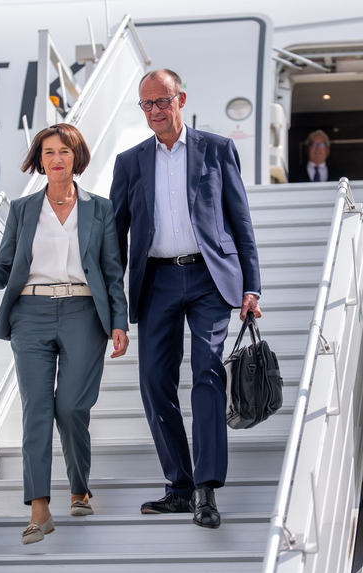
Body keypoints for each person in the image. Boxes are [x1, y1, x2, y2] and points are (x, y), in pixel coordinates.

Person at [0, 123, 129, 545]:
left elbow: (114, 272)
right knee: (37, 410)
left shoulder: (100, 209)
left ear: (76, 157)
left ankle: (79, 486)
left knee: (72, 408)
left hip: (84, 312)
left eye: (63, 151)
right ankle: (38, 509)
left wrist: (119, 321)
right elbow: (6, 268)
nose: (56, 158)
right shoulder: (24, 209)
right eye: (47, 152)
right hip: (31, 314)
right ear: (39, 160)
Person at [109, 69, 261, 530]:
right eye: (146, 104)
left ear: (181, 99)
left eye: (162, 101)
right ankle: (179, 485)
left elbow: (241, 222)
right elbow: (115, 240)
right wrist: (115, 306)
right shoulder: (129, 162)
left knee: (209, 373)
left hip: (209, 279)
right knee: (155, 381)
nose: (155, 111)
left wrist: (251, 286)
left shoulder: (216, 149)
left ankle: (206, 490)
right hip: (155, 281)